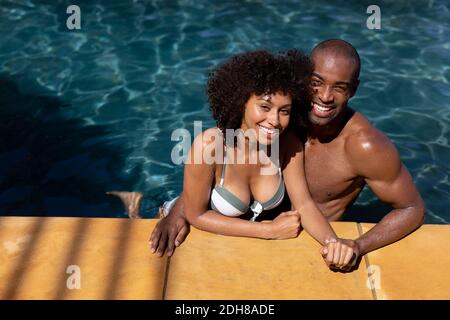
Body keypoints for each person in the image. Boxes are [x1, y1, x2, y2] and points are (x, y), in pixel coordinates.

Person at [146, 39, 426, 271]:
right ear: (303, 80)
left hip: (287, 236)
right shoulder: (284, 115)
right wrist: (178, 211)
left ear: (353, 90)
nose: (325, 97)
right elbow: (215, 162)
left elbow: (411, 209)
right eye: (317, 82)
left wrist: (350, 244)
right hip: (251, 225)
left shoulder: (353, 144)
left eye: (339, 87)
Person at [110, 49, 357, 268]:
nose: (274, 120)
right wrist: (267, 230)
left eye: (284, 111)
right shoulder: (210, 145)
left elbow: (304, 205)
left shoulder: (287, 143)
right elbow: (197, 215)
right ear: (241, 103)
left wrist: (333, 242)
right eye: (264, 107)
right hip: (183, 212)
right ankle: (136, 203)